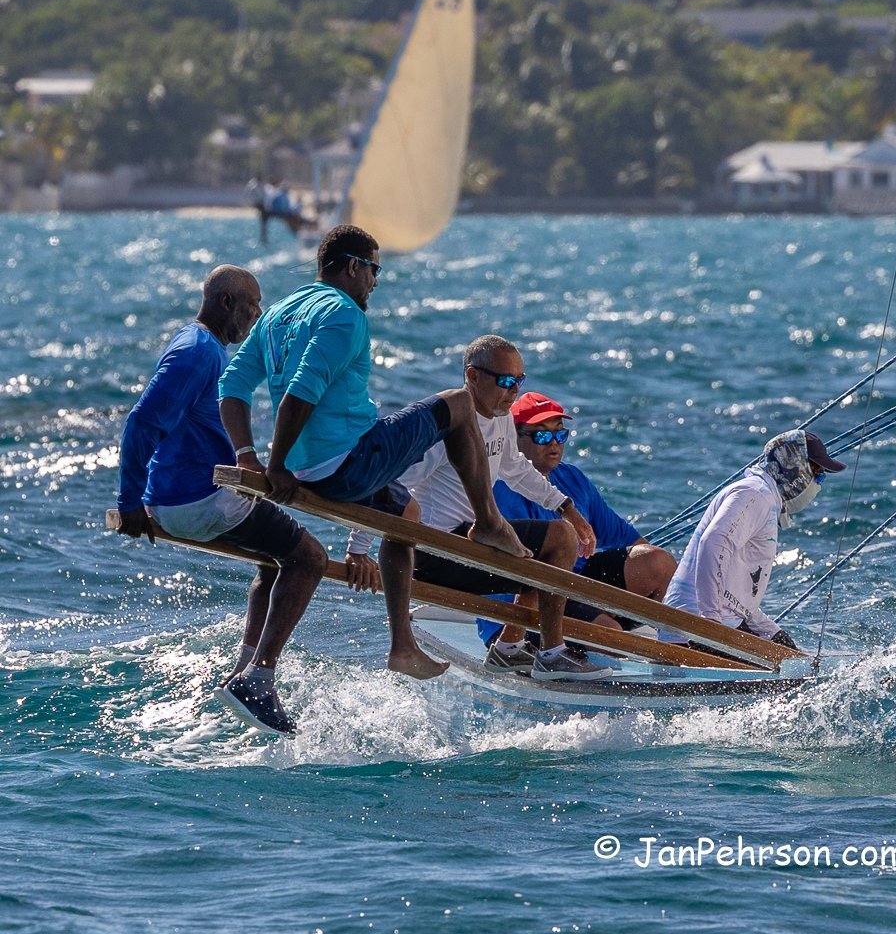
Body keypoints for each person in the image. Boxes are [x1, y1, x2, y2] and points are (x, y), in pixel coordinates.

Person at [218, 224, 530, 730]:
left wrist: (248, 454)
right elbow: (302, 391)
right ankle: (490, 522)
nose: (376, 282)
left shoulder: (278, 312)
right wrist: (272, 467)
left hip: (309, 465)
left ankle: (397, 647)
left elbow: (232, 384)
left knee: (405, 513)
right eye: (374, 270)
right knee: (457, 404)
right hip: (346, 463)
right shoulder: (344, 314)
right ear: (352, 266)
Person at [114, 265, 328, 735]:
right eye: (252, 305)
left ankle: (246, 671)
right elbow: (141, 422)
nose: (257, 314)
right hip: (198, 501)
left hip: (181, 496)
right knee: (310, 558)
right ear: (226, 303)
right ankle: (260, 679)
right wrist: (129, 501)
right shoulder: (197, 353)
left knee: (274, 560)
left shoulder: (195, 342)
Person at [344, 340, 611, 681]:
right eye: (506, 381)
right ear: (473, 376)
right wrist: (358, 549)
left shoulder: (500, 417)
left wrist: (566, 507)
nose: (514, 391)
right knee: (558, 540)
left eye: (520, 381)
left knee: (549, 547)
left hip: (470, 542)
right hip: (436, 553)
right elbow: (387, 486)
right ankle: (552, 654)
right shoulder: (444, 428)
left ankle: (509, 648)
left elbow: (516, 469)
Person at [475, 391, 677, 655]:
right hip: (521, 606)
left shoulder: (572, 478)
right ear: (514, 437)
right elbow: (526, 575)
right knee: (608, 632)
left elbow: (632, 541)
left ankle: (677, 648)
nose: (554, 443)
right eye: (542, 436)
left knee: (659, 562)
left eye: (560, 434)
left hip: (571, 586)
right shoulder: (501, 489)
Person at [663, 429, 845, 649]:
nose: (818, 484)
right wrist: (709, 623)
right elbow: (713, 543)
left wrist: (769, 631)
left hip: (718, 621)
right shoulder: (755, 494)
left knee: (789, 658)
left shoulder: (765, 497)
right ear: (795, 469)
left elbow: (735, 593)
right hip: (692, 630)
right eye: (818, 475)